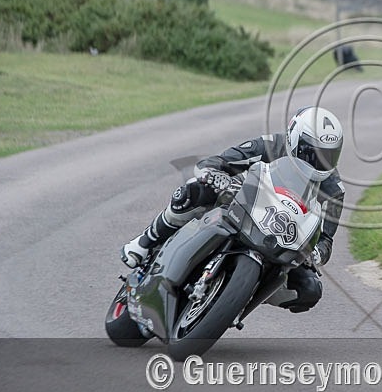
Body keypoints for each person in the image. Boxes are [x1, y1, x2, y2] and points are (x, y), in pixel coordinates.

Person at [120, 106, 345, 313]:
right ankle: (145, 242)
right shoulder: (271, 145)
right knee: (193, 191)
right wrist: (215, 176)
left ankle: (239, 299)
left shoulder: (334, 190)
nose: (320, 162)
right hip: (246, 206)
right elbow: (217, 162)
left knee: (310, 290)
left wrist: (316, 254)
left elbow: (326, 240)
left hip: (284, 239)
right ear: (294, 139)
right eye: (313, 153)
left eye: (329, 155)